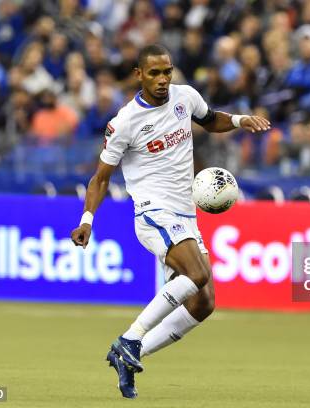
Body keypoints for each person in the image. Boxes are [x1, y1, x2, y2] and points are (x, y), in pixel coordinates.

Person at [69, 44, 270, 399]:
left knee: (203, 303)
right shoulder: (125, 122)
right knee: (197, 273)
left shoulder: (185, 97)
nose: (163, 80)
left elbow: (210, 120)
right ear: (138, 75)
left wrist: (240, 120)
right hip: (152, 212)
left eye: (167, 72)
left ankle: (130, 356)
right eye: (154, 73)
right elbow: (100, 178)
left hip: (186, 215)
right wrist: (87, 219)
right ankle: (130, 337)